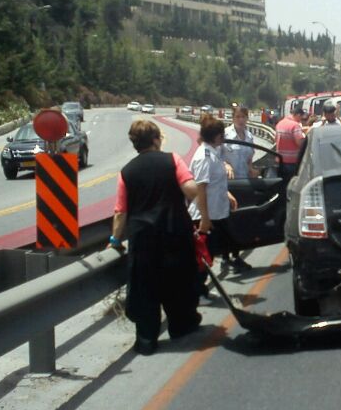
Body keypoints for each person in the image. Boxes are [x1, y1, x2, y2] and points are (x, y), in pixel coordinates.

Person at [110, 120, 202, 356]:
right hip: (174, 232)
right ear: (154, 140)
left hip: (143, 239)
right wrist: (204, 212)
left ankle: (147, 339)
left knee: (145, 289)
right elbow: (191, 189)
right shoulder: (172, 160)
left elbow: (121, 212)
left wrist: (115, 240)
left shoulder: (127, 172)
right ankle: (181, 327)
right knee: (179, 284)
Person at [189, 115, 239, 288]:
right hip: (207, 215)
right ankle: (198, 289)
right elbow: (201, 188)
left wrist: (227, 194)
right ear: (216, 136)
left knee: (223, 244)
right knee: (204, 254)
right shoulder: (204, 157)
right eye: (222, 135)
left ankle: (202, 285)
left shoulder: (213, 152)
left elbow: (215, 183)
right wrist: (204, 218)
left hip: (217, 211)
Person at [221, 105, 257, 273]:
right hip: (229, 183)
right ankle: (227, 256)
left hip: (244, 182)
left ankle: (235, 254)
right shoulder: (226, 135)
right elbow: (218, 157)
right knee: (228, 219)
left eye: (243, 116)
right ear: (233, 118)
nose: (241, 120)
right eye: (238, 117)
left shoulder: (249, 136)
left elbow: (249, 158)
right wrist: (226, 165)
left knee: (241, 219)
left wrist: (252, 170)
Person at [275, 105, 306, 183]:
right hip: (292, 162)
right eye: (301, 118)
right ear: (298, 115)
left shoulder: (280, 123)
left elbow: (275, 139)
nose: (301, 121)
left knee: (282, 186)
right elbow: (300, 143)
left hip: (280, 161)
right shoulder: (295, 126)